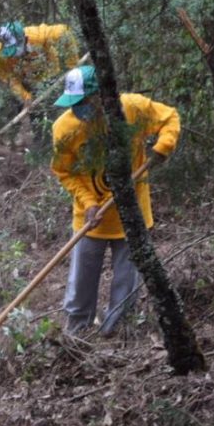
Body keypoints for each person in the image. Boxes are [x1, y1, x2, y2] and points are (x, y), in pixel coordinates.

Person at [50, 65, 180, 336]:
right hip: (90, 218)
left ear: (100, 97)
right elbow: (64, 171)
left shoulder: (131, 109)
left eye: (83, 103)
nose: (78, 110)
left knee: (126, 285)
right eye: (73, 105)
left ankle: (116, 337)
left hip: (131, 215)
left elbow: (169, 117)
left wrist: (162, 147)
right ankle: (77, 337)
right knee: (80, 287)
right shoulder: (64, 128)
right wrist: (89, 202)